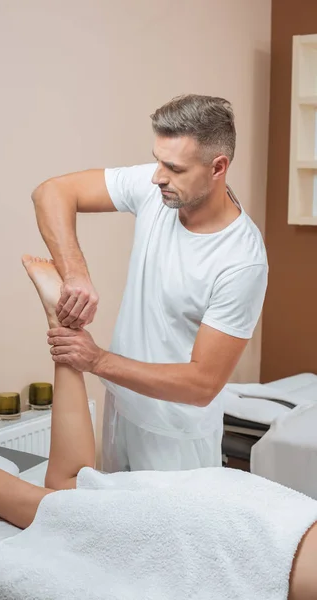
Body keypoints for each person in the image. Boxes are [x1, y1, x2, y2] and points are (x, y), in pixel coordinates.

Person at [0, 256, 316, 600]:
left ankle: (63, 326)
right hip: (241, 537)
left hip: (259, 509)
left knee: (68, 486)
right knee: (48, 504)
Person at [31, 94, 269, 473]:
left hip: (176, 437)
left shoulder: (241, 261)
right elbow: (51, 192)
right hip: (121, 411)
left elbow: (201, 384)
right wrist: (75, 271)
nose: (158, 176)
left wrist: (97, 360)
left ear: (218, 167)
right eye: (158, 160)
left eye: (173, 167)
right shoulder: (157, 187)